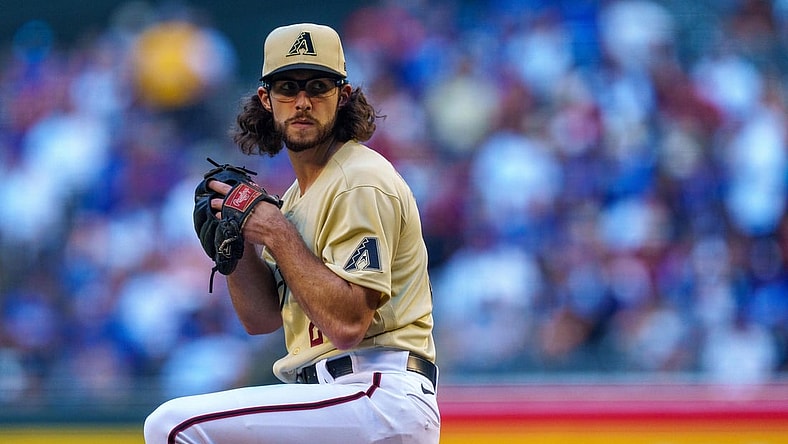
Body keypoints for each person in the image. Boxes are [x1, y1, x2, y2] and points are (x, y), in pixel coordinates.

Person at [144, 23, 440, 444]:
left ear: (344, 96)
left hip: (375, 394)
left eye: (318, 86)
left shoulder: (359, 180)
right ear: (266, 100)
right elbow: (261, 318)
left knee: (173, 426)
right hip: (331, 400)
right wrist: (236, 249)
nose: (302, 101)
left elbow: (349, 324)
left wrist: (276, 232)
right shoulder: (298, 198)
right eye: (288, 88)